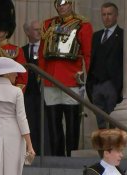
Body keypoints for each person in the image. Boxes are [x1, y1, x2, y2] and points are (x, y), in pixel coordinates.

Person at [38, 0, 93, 156]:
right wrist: (42, 75)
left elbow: (87, 54)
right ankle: (56, 158)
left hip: (71, 80)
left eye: (65, 3)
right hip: (50, 79)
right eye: (58, 4)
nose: (61, 7)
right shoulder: (48, 24)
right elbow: (42, 53)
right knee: (53, 125)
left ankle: (71, 157)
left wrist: (88, 78)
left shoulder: (83, 25)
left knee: (72, 125)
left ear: (71, 4)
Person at [86, 2, 123, 129]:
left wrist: (118, 86)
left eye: (109, 14)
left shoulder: (122, 35)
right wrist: (90, 85)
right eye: (104, 14)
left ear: (116, 15)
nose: (106, 17)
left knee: (113, 121)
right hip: (96, 85)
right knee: (101, 123)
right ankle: (103, 149)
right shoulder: (96, 36)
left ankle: (113, 149)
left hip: (112, 85)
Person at [22, 20, 42, 154]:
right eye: (35, 29)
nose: (39, 32)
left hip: (43, 91)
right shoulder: (22, 50)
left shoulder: (45, 48)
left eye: (40, 29)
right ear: (27, 32)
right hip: (27, 93)